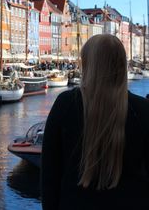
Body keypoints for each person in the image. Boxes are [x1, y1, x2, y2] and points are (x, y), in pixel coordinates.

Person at [41, 34, 149, 210]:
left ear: (88, 64)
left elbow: (49, 176)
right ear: (122, 65)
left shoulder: (66, 104)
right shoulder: (143, 110)